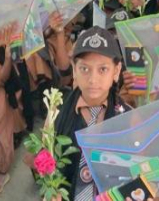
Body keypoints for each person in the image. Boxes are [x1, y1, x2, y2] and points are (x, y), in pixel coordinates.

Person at [50, 26, 131, 200]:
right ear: (74, 70)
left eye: (103, 69)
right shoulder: (56, 113)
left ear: (116, 71)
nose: (93, 80)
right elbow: (49, 162)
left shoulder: (127, 117)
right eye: (84, 69)